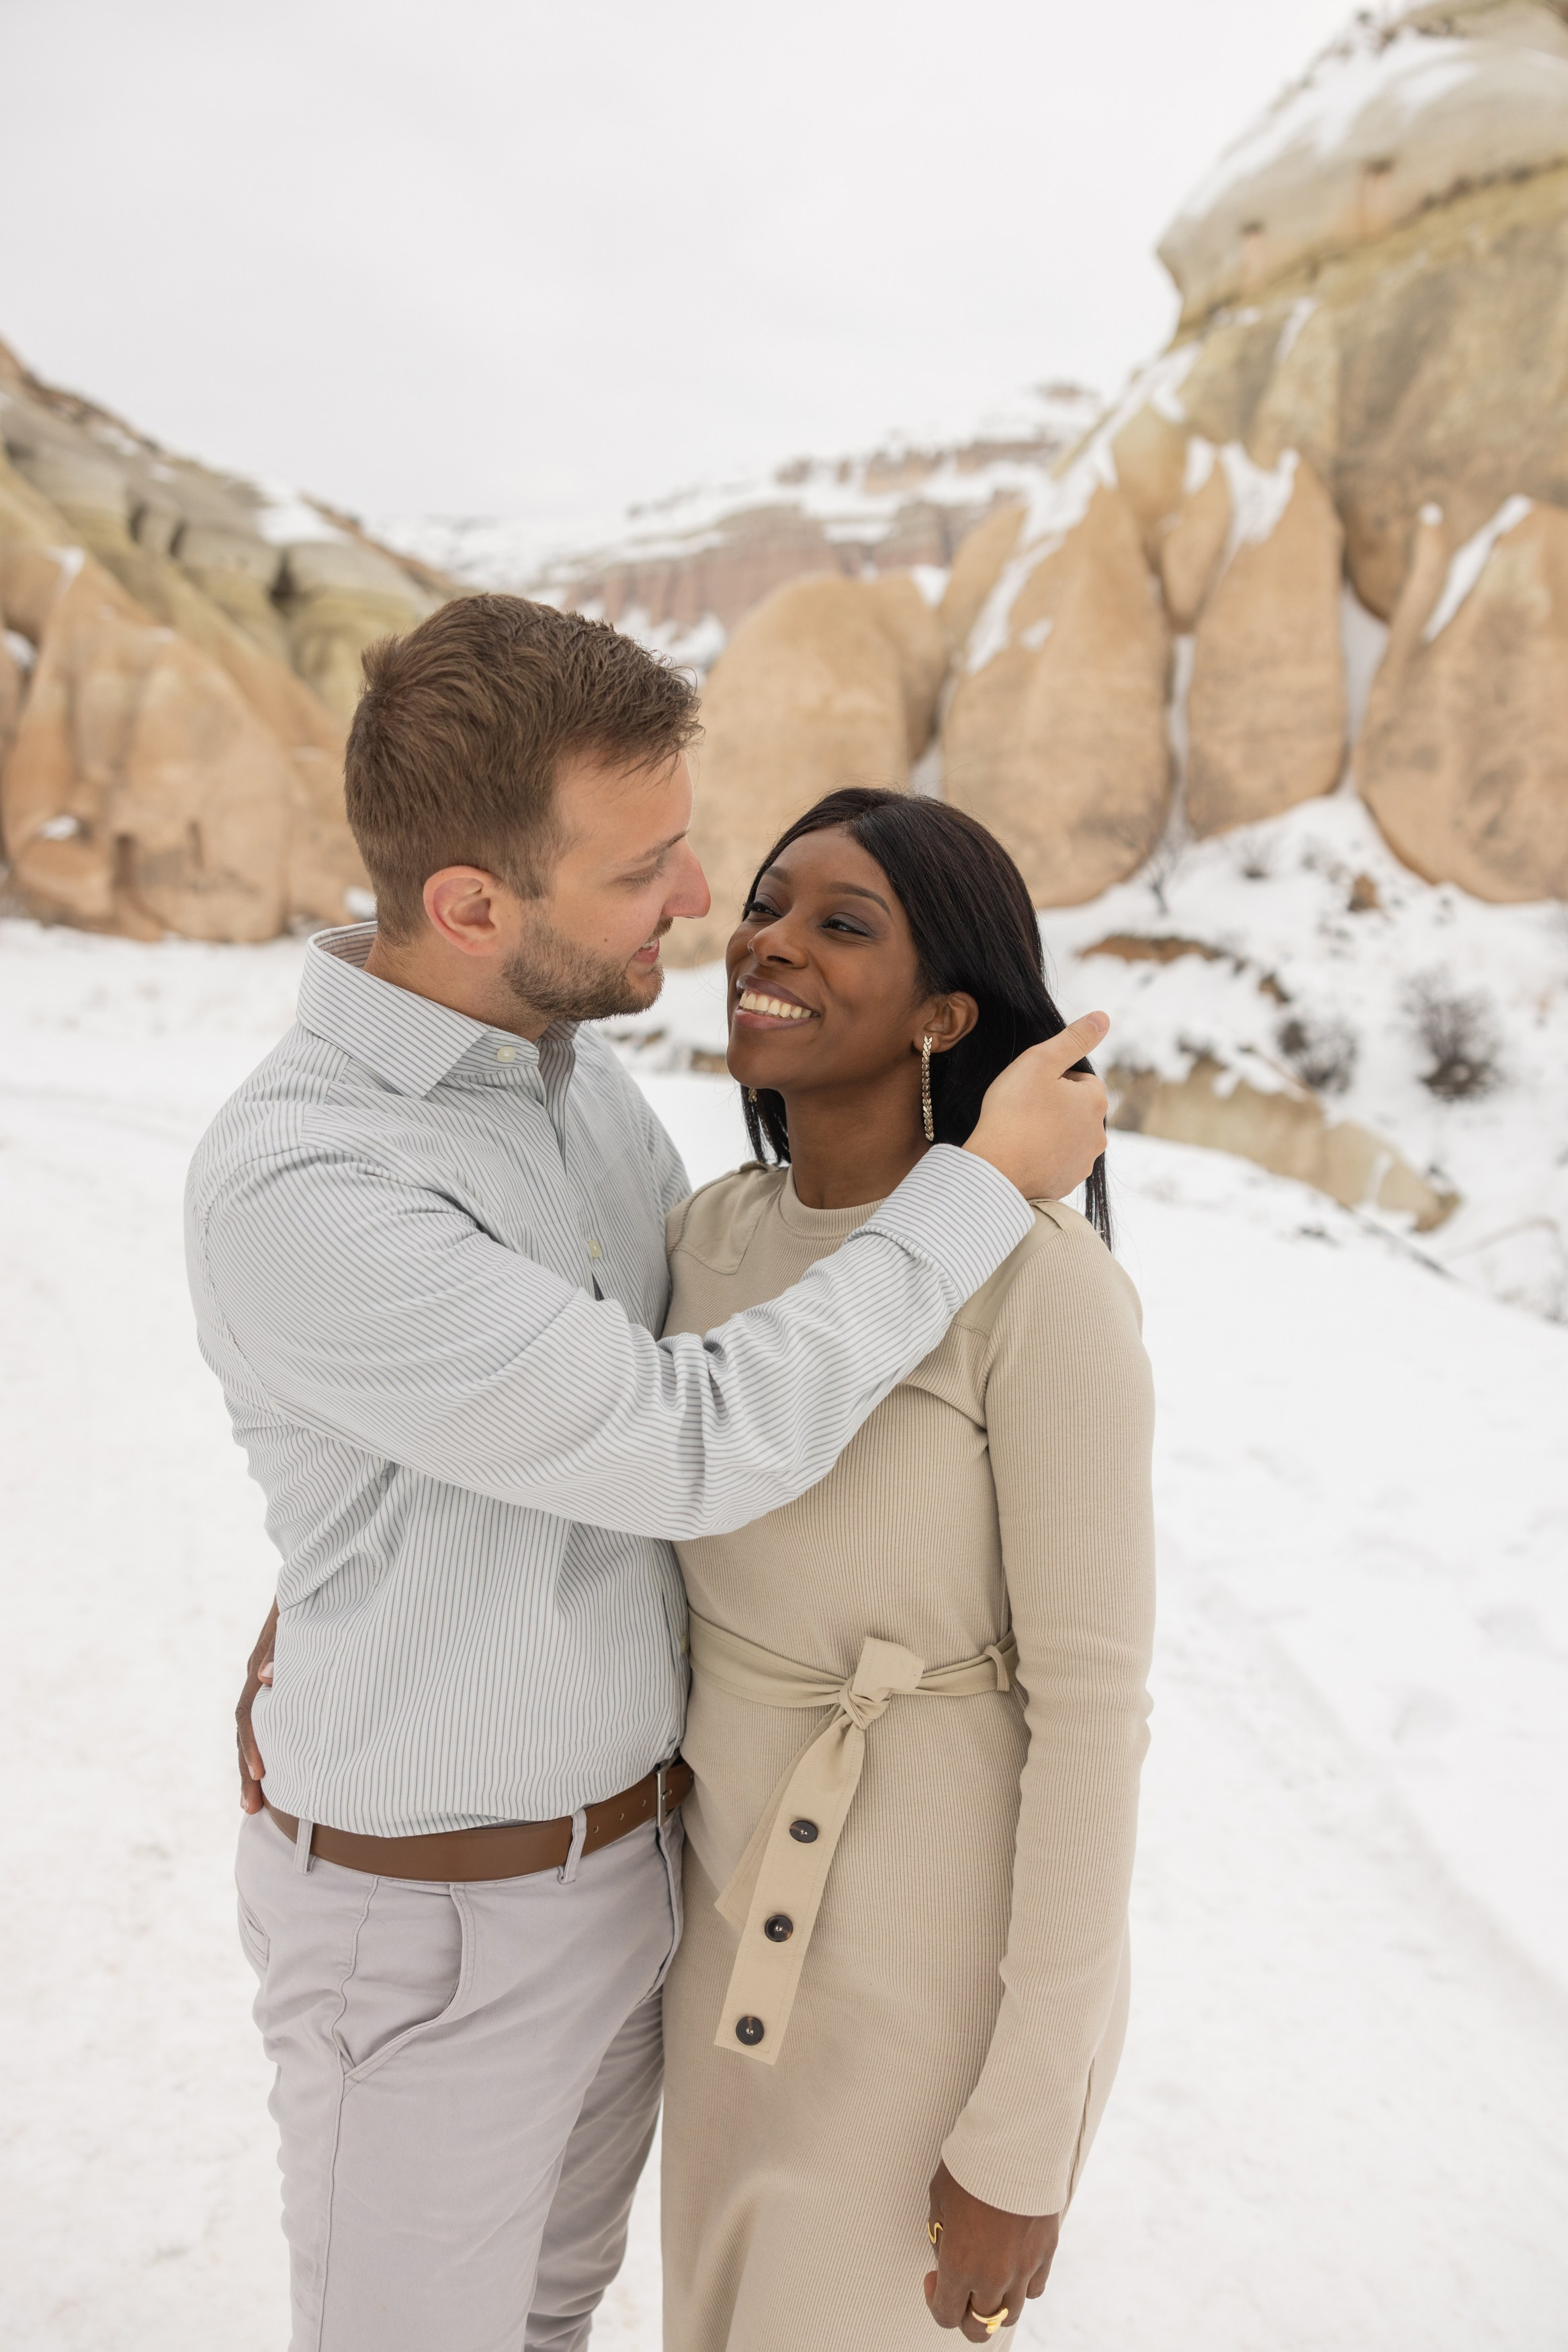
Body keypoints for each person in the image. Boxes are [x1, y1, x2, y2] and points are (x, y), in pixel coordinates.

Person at [195, 594, 1111, 2352]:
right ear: (472, 906)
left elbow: (525, 1428)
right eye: (649, 868)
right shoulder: (313, 1184)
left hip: (643, 1886)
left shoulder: (573, 1092)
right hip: (435, 1924)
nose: (699, 906)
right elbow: (688, 1440)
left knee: (553, 2319)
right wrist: (978, 1189)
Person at [658, 789, 1155, 2349]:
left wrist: (1024, 2127)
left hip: (927, 1994)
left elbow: (1095, 1718)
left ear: (950, 1009)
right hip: (720, 1958)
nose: (770, 940)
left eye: (840, 922)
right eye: (765, 901)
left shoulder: (1040, 1289)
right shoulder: (705, 1241)